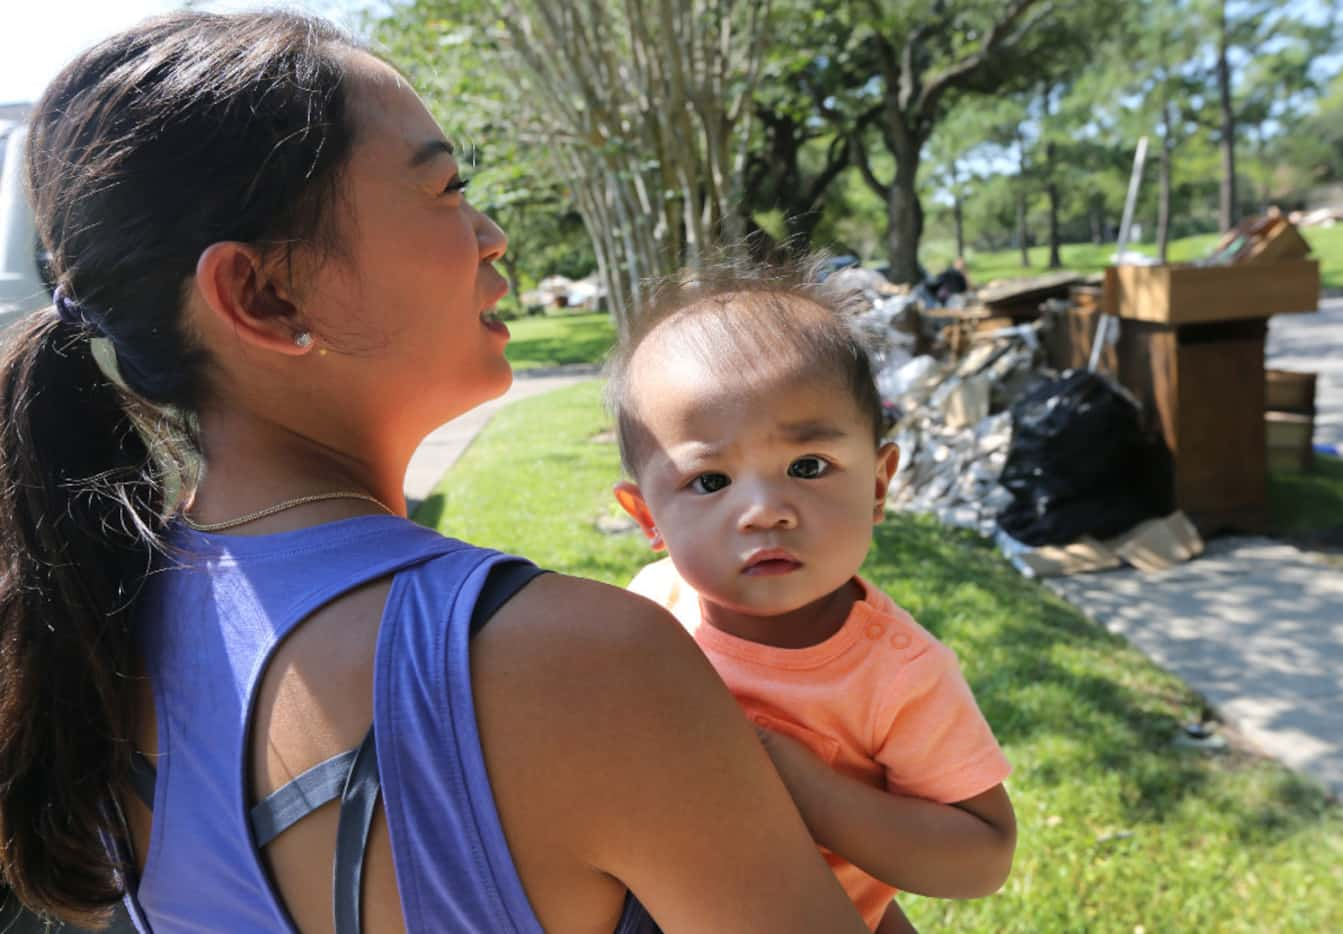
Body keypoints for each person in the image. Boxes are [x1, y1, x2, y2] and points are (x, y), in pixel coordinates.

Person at [0, 12, 871, 933]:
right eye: (448, 188)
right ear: (264, 295)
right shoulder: (583, 666)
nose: (492, 235)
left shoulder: (88, 627)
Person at [607, 259, 1017, 932]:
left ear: (879, 485)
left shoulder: (898, 675)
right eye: (710, 482)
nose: (765, 511)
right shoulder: (649, 610)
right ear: (647, 516)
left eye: (807, 467)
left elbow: (982, 856)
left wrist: (808, 790)